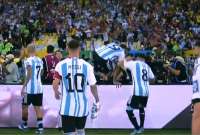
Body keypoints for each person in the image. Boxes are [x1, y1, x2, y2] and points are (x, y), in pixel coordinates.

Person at [53, 40, 100, 135]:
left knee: (69, 133)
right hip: (82, 107)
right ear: (79, 49)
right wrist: (97, 100)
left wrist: (56, 92)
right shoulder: (87, 66)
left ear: (67, 49)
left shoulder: (61, 65)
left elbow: (55, 82)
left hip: (67, 107)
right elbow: (93, 86)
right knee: (80, 131)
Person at [114, 51, 155, 135]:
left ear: (137, 57)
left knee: (128, 110)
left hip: (137, 92)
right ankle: (141, 127)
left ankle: (136, 128)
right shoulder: (147, 66)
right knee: (141, 107)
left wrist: (126, 58)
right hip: (146, 92)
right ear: (143, 58)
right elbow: (153, 79)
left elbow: (121, 64)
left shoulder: (134, 63)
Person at [18, 45, 44, 134]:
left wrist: (24, 86)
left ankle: (24, 125)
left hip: (28, 90)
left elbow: (29, 73)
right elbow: (41, 73)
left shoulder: (28, 60)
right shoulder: (40, 60)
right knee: (38, 108)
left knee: (25, 106)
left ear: (27, 50)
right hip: (39, 88)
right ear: (35, 50)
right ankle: (40, 128)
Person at [192, 45, 200, 135]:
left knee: (196, 117)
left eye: (195, 48)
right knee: (196, 117)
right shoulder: (196, 61)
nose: (194, 50)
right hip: (196, 92)